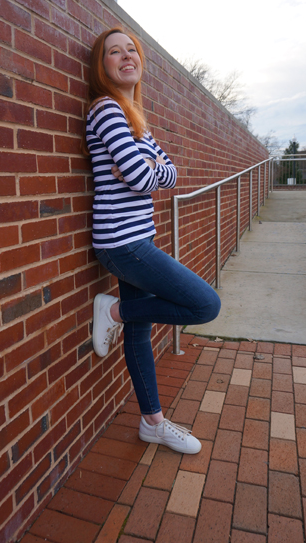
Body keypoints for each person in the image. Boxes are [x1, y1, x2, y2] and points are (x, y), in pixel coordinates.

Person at [84, 27, 221, 454]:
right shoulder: (107, 110)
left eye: (132, 50)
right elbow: (146, 176)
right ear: (102, 66)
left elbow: (170, 174)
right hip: (123, 243)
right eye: (114, 52)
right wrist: (147, 167)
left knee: (140, 334)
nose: (126, 56)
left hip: (136, 238)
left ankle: (152, 422)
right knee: (205, 304)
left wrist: (146, 164)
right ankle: (115, 310)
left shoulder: (135, 117)